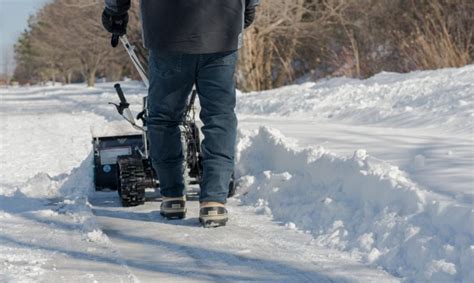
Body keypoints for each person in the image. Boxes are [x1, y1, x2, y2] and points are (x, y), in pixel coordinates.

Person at [102, 0, 259, 227]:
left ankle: (173, 196)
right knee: (219, 117)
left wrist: (115, 11)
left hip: (168, 30)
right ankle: (214, 201)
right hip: (223, 26)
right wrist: (249, 7)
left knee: (163, 118)